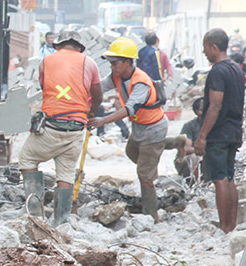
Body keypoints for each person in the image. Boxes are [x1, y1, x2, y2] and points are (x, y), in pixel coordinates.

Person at [18, 29, 102, 225]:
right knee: (65, 173)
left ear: (57, 46)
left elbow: (44, 87)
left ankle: (36, 216)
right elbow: (97, 96)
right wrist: (91, 113)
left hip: (52, 124)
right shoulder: (89, 63)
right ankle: (61, 221)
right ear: (79, 47)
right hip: (76, 128)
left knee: (28, 158)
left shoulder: (46, 61)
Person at [88, 37, 169, 220]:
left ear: (128, 62)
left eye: (115, 63)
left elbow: (128, 109)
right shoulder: (117, 76)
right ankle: (172, 144)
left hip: (153, 128)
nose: (112, 67)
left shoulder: (140, 82)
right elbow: (100, 87)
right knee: (132, 151)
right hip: (140, 127)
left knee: (144, 174)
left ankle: (151, 214)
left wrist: (103, 121)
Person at [195, 28, 244, 233]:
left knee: (220, 178)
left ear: (214, 47)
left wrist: (202, 136)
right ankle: (232, 224)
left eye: (206, 47)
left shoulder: (217, 71)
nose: (204, 52)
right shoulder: (236, 69)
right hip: (233, 130)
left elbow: (215, 106)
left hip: (219, 132)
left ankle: (224, 226)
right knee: (230, 177)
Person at [171, 98, 205, 182]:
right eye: (202, 110)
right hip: (190, 159)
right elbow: (187, 149)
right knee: (194, 157)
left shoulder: (217, 126)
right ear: (196, 112)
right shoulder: (189, 126)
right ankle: (194, 185)